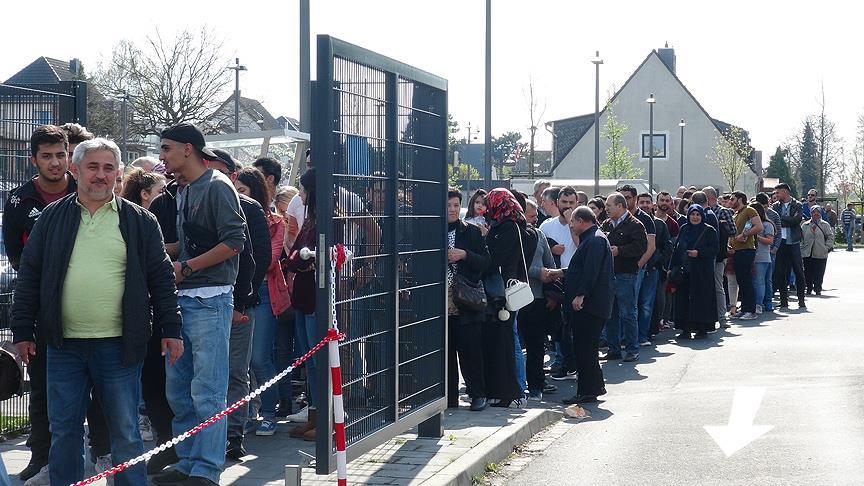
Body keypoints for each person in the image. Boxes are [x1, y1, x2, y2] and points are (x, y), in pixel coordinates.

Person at [10, 138, 183, 486]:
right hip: (62, 347)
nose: (101, 175)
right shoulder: (50, 219)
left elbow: (162, 279)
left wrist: (171, 328)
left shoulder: (140, 221)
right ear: (76, 171)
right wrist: (22, 332)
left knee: (126, 433)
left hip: (120, 346)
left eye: (108, 168)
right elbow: (29, 277)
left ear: (118, 173)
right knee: (64, 433)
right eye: (93, 166)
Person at [2, 125, 95, 484]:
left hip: (90, 303)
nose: (56, 162)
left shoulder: (86, 189)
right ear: (33, 160)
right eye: (47, 156)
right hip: (42, 310)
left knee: (99, 389)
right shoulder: (17, 201)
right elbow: (17, 257)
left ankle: (99, 454)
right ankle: (40, 457)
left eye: (61, 154)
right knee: (42, 388)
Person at [154, 123, 247, 486]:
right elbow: (188, 245)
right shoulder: (185, 189)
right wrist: (156, 254)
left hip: (210, 300)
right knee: (179, 389)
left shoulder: (218, 187)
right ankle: (189, 461)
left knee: (207, 391)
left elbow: (235, 242)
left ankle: (207, 469)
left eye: (166, 148)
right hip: (184, 299)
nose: (162, 156)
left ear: (188, 149)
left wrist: (186, 267)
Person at [207, 149, 272, 460]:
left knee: (236, 370)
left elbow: (261, 257)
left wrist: (242, 301)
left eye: (218, 171)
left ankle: (233, 435)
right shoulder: (184, 200)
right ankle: (202, 438)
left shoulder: (249, 207)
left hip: (239, 305)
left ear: (232, 175)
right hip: (198, 303)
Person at [234, 167, 291, 437]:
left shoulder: (276, 222)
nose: (237, 196)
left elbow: (269, 260)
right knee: (238, 362)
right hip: (236, 291)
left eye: (242, 191)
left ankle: (269, 411)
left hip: (263, 292)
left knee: (259, 357)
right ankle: (243, 415)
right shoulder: (229, 214)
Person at [483, 188, 533, 407]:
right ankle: (511, 390)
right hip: (511, 290)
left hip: (502, 292)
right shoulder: (520, 226)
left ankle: (512, 391)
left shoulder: (505, 228)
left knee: (505, 341)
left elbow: (493, 260)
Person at [446, 188, 491, 411]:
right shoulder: (430, 231)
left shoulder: (471, 232)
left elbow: (486, 262)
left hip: (466, 301)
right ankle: (448, 397)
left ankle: (477, 394)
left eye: (456, 205)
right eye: (448, 206)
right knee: (445, 353)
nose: (453, 210)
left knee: (471, 351)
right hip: (441, 302)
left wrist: (464, 255)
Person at [562, 207, 613, 404]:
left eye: (573, 222)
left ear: (582, 221)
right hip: (591, 303)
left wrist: (581, 295)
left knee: (585, 348)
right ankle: (594, 387)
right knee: (586, 348)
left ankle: (587, 391)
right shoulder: (593, 239)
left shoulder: (595, 240)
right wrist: (562, 273)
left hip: (590, 305)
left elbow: (591, 272)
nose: (572, 226)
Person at [284, 168, 320, 439]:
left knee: (318, 359)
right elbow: (295, 254)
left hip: (317, 298)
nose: (302, 195)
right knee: (309, 360)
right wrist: (299, 260)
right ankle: (314, 416)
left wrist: (301, 260)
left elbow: (302, 258)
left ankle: (325, 420)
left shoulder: (330, 220)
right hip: (303, 295)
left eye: (305, 190)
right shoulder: (309, 220)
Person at [519, 200, 562, 400]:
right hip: (514, 298)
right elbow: (511, 266)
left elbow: (550, 264)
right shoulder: (513, 235)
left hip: (536, 299)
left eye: (536, 215)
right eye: (530, 215)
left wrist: (551, 291)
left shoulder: (539, 235)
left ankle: (536, 385)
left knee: (536, 345)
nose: (535, 219)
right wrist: (538, 272)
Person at [600, 193, 647, 362]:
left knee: (627, 312)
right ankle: (613, 349)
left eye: (609, 205)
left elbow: (641, 247)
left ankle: (632, 349)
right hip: (608, 274)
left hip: (626, 274)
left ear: (620, 206)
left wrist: (620, 250)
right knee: (610, 313)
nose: (606, 208)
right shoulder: (605, 224)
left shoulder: (635, 225)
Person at [671, 205, 719, 339]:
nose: (695, 217)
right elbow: (677, 248)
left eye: (698, 214)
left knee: (701, 300)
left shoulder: (709, 230)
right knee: (683, 300)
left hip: (702, 271)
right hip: (684, 270)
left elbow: (715, 249)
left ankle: (702, 328)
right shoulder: (684, 228)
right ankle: (685, 329)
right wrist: (672, 267)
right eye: (693, 214)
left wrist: (699, 253)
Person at [772, 183, 806, 310]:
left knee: (798, 271)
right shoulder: (775, 206)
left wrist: (783, 219)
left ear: (785, 192)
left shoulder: (797, 204)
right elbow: (776, 221)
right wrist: (788, 219)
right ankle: (784, 300)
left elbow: (796, 220)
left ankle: (801, 299)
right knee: (780, 272)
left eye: (778, 193)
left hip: (794, 242)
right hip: (780, 242)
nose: (776, 195)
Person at [730, 191, 762, 320]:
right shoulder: (736, 214)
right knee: (741, 281)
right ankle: (744, 308)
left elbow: (758, 226)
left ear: (740, 199)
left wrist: (744, 235)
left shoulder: (750, 210)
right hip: (737, 251)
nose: (730, 201)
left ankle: (751, 310)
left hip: (746, 250)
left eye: (733, 199)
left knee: (747, 280)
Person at [538, 186, 578, 268]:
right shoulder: (546, 226)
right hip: (553, 276)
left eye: (571, 203)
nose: (568, 205)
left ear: (576, 204)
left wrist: (570, 221)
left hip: (575, 275)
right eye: (564, 202)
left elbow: (581, 245)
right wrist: (551, 248)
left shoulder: (583, 225)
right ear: (557, 202)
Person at [756, 193, 781, 312]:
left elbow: (778, 233)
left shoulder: (773, 216)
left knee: (766, 279)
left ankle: (767, 302)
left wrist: (775, 248)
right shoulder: (754, 218)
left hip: (768, 251)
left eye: (766, 206)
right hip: (760, 253)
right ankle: (763, 302)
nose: (764, 208)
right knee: (761, 279)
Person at [801, 206, 833, 296]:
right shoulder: (805, 225)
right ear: (810, 213)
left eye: (817, 212)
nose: (815, 214)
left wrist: (827, 247)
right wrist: (802, 248)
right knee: (808, 271)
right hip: (807, 252)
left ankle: (818, 288)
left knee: (819, 272)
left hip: (820, 252)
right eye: (813, 212)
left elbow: (830, 236)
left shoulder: (825, 225)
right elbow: (801, 238)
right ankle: (809, 288)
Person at [751, 203, 775, 315]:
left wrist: (756, 236)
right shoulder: (750, 224)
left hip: (762, 256)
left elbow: (769, 241)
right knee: (756, 281)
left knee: (761, 282)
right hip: (753, 256)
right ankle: (757, 303)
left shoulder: (767, 224)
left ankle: (760, 304)